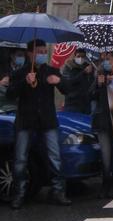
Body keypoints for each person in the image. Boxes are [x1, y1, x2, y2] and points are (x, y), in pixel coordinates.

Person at [7, 39, 71, 209]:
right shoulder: (21, 72)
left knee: (55, 156)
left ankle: (58, 191)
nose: (42, 54)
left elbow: (67, 88)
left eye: (44, 51)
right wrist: (24, 82)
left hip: (47, 120)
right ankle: (19, 192)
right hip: (25, 120)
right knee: (20, 159)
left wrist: (58, 82)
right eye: (39, 52)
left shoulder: (51, 70)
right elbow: (10, 93)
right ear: (30, 53)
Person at [90, 52, 113, 198]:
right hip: (103, 120)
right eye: (104, 59)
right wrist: (99, 84)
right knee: (106, 155)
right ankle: (105, 183)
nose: (105, 62)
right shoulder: (100, 75)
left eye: (108, 59)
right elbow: (90, 95)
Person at [61, 49, 95, 114]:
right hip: (72, 103)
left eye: (83, 56)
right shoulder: (68, 67)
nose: (81, 58)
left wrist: (91, 74)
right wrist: (84, 72)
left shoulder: (88, 67)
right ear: (75, 56)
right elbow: (69, 82)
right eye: (78, 56)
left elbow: (91, 85)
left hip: (85, 104)